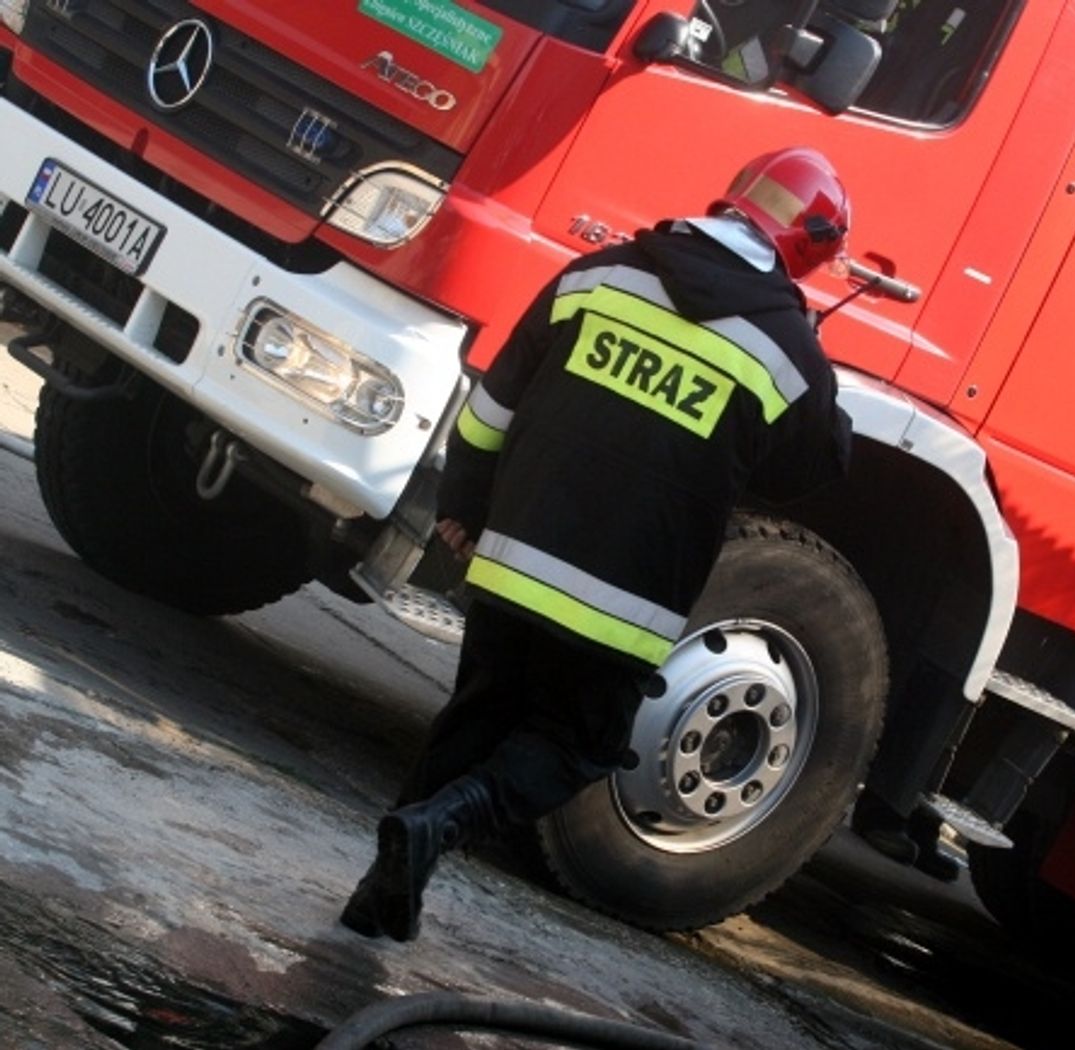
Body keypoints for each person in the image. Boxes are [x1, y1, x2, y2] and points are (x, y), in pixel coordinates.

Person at [340, 146, 855, 943]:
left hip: (511, 569)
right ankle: (441, 825)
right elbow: (814, 468)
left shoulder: (598, 276)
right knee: (574, 748)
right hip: (624, 607)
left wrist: (466, 512)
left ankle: (379, 895)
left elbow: (487, 413)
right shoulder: (787, 353)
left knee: (472, 724)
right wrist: (814, 350)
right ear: (809, 250)